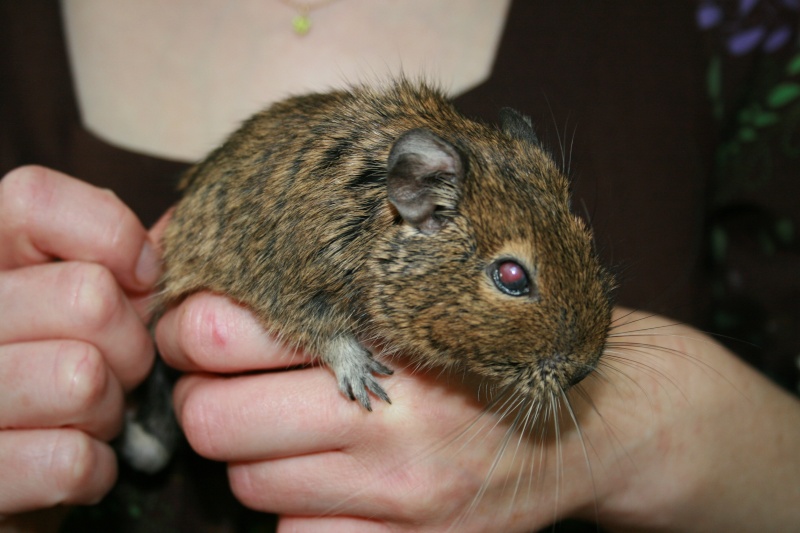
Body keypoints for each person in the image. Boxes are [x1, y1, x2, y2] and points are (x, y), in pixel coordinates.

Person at [1, 1, 798, 531]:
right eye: (512, 280)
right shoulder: (331, 227)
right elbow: (279, 280)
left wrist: (645, 432)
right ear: (416, 201)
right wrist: (340, 345)